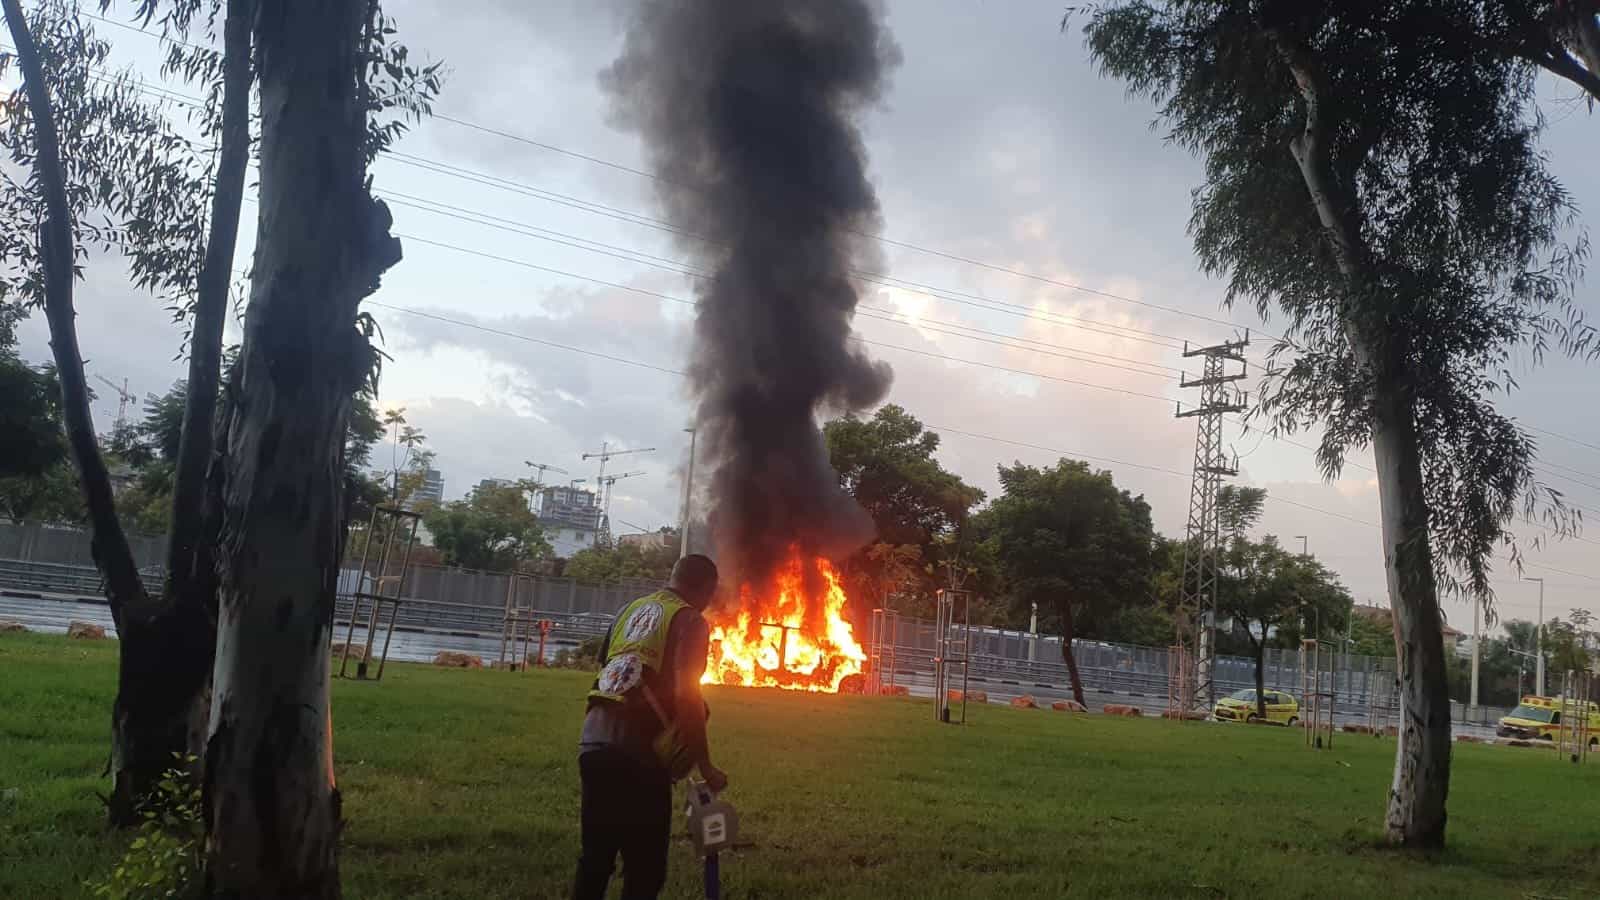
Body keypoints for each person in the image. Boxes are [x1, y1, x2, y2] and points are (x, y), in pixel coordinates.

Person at [572, 553, 729, 900]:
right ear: (706, 588)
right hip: (639, 755)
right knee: (645, 870)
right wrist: (705, 767)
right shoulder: (690, 621)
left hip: (594, 743)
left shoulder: (628, 611)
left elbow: (609, 670)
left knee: (595, 861)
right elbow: (688, 696)